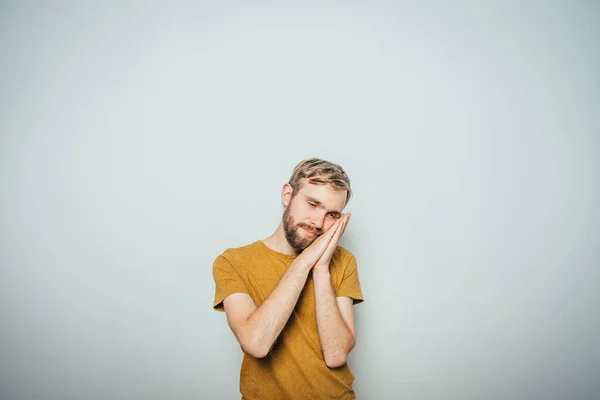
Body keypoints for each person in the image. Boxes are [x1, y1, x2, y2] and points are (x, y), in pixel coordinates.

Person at [212, 158, 364, 399]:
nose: (319, 223)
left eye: (332, 214)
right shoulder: (233, 262)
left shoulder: (343, 261)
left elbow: (336, 356)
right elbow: (256, 343)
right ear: (287, 195)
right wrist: (304, 261)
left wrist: (321, 268)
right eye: (313, 204)